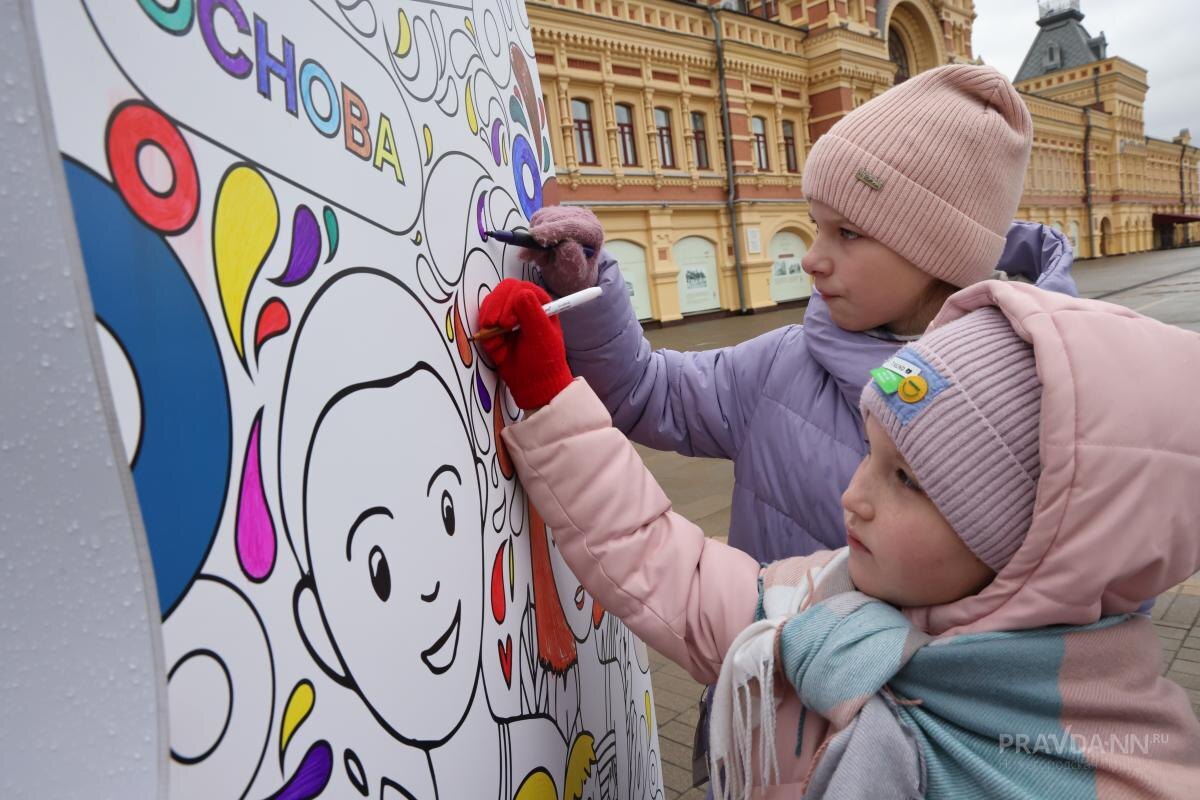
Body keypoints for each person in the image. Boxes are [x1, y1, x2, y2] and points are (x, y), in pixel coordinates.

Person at [477, 276, 1200, 798]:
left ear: (1035, 537)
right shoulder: (823, 603)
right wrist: (550, 398)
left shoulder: (1114, 764)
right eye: (869, 455)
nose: (852, 497)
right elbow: (664, 561)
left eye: (906, 479)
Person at [516, 64, 1076, 565]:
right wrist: (587, 288)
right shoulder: (782, 364)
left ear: (937, 253)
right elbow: (646, 391)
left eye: (847, 232)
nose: (810, 259)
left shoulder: (1038, 403)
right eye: (816, 226)